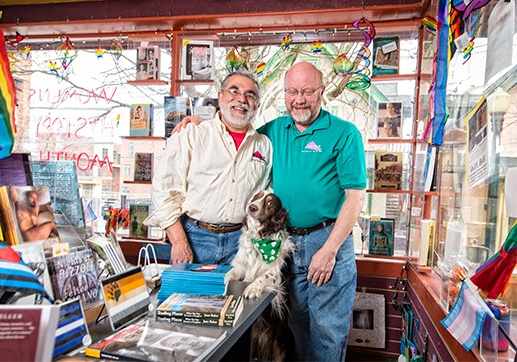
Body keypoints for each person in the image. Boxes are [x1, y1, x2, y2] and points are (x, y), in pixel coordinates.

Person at [175, 62, 366, 361]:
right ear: (284, 94)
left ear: (322, 92)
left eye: (307, 91)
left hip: (328, 242)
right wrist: (197, 124)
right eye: (292, 91)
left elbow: (356, 197)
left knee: (328, 332)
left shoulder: (344, 133)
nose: (299, 99)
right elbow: (236, 133)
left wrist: (329, 251)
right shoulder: (274, 131)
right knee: (296, 325)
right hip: (286, 244)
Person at [143, 70, 272, 265]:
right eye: (234, 91)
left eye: (250, 95)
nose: (242, 100)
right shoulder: (191, 134)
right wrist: (179, 242)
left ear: (258, 105)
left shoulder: (265, 145)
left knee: (237, 297)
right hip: (194, 238)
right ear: (220, 97)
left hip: (243, 242)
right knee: (184, 296)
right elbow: (163, 191)